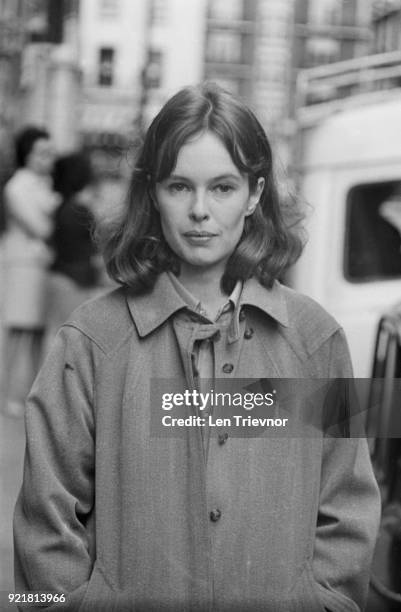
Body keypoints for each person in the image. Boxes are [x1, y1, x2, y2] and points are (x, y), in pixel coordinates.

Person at [14, 83, 380, 611]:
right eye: (180, 186)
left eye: (223, 187)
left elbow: (349, 504)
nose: (200, 211)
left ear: (255, 194)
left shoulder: (317, 339)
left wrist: (319, 602)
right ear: (151, 193)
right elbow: (45, 514)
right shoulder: (89, 340)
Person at [1, 126, 60, 417]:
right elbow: (42, 227)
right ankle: (8, 395)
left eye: (50, 153)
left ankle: (33, 395)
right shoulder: (17, 187)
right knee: (18, 330)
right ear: (27, 154)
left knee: (38, 332)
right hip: (23, 266)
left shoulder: (47, 183)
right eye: (42, 153)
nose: (47, 159)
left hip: (44, 265)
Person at [44, 152, 104, 348]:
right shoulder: (80, 209)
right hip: (73, 281)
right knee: (73, 343)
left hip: (61, 277)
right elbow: (94, 247)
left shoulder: (61, 206)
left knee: (64, 339)